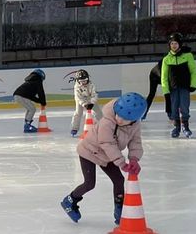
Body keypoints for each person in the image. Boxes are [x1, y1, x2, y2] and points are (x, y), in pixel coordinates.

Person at [60, 92, 146, 227]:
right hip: (89, 151)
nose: (119, 119)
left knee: (119, 180)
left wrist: (134, 159)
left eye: (124, 119)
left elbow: (135, 142)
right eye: (118, 114)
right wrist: (121, 163)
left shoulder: (135, 125)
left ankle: (119, 211)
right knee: (89, 183)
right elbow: (107, 143)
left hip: (107, 156)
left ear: (134, 119)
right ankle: (69, 200)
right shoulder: (107, 121)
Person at [162, 32, 196, 138]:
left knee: (184, 107)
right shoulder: (166, 59)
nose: (174, 45)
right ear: (169, 45)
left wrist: (193, 84)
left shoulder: (187, 56)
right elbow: (164, 77)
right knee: (173, 108)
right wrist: (165, 91)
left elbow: (194, 71)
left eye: (176, 43)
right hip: (172, 88)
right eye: (172, 43)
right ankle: (176, 128)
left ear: (180, 44)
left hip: (184, 87)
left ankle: (186, 127)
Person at [13, 68, 47, 133]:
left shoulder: (31, 81)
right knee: (32, 109)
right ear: (41, 76)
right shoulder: (37, 81)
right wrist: (43, 102)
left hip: (17, 95)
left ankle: (27, 124)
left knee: (30, 109)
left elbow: (31, 96)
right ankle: (27, 126)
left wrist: (40, 101)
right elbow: (41, 92)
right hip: (21, 96)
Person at [70, 69, 100, 137]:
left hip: (90, 98)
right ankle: (74, 128)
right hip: (81, 100)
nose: (83, 82)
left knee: (98, 113)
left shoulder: (91, 85)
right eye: (81, 81)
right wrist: (84, 104)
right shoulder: (76, 87)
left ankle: (103, 126)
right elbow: (78, 97)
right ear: (78, 80)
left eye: (85, 80)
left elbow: (94, 95)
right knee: (78, 113)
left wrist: (92, 103)